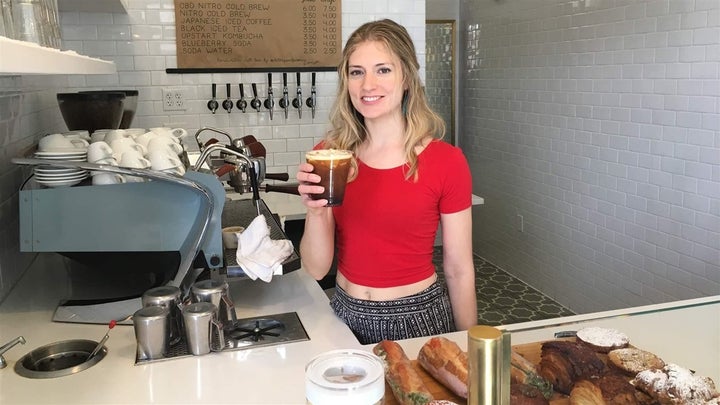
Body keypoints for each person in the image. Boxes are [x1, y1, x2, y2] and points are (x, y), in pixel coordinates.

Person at [296, 19, 476, 345]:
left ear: (406, 77)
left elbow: (460, 269)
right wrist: (315, 211)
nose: (367, 85)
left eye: (382, 70)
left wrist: (470, 348)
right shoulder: (330, 156)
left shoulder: (446, 161)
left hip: (417, 320)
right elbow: (316, 269)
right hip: (344, 317)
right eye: (356, 72)